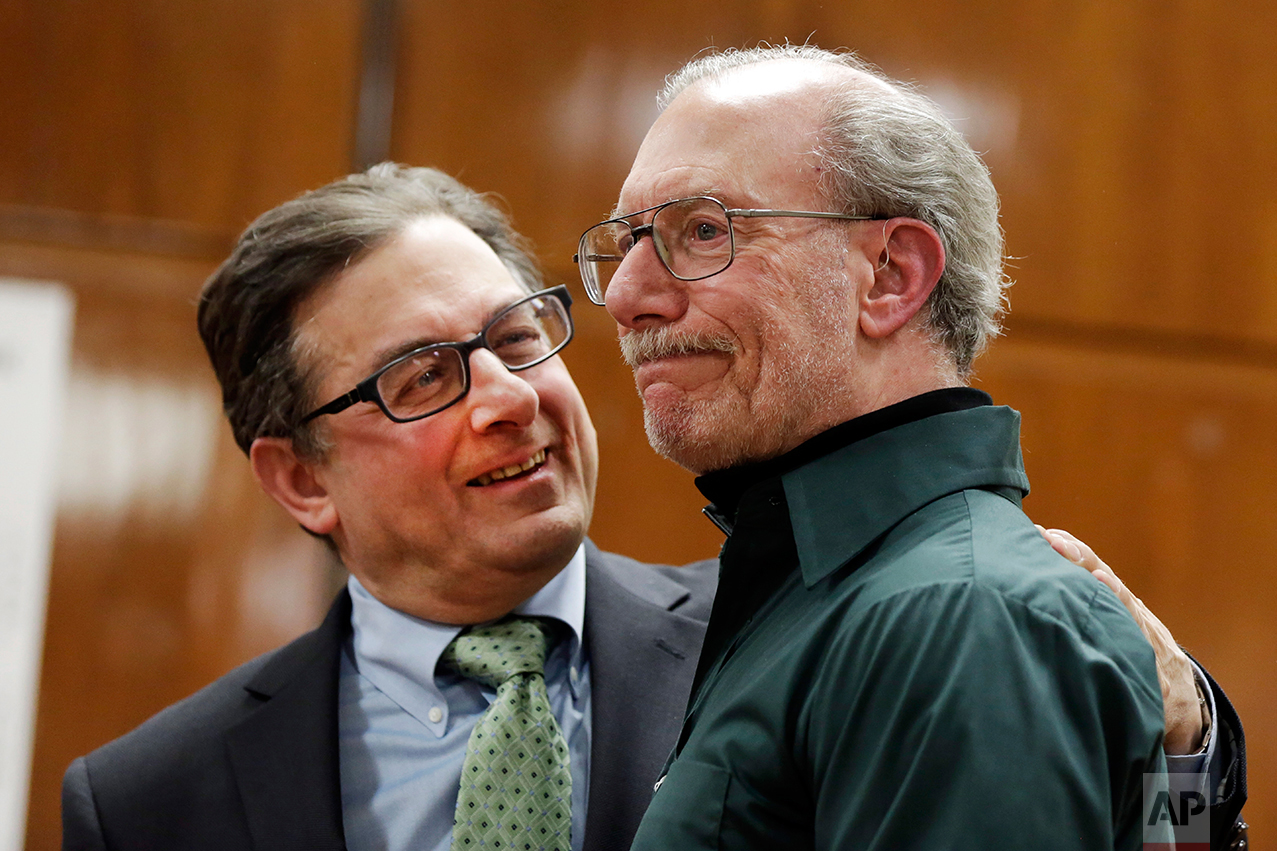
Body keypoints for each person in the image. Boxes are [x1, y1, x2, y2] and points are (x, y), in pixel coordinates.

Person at [60, 164, 1234, 851]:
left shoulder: (814, 634)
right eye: (425, 376)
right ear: (300, 476)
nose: (513, 398)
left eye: (518, 335)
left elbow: (1135, 832)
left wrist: (1185, 742)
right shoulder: (151, 800)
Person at [580, 44, 1245, 849]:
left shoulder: (961, 617)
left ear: (891, 275)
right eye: (625, 243)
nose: (623, 296)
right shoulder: (816, 585)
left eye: (703, 231)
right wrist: (1194, 760)